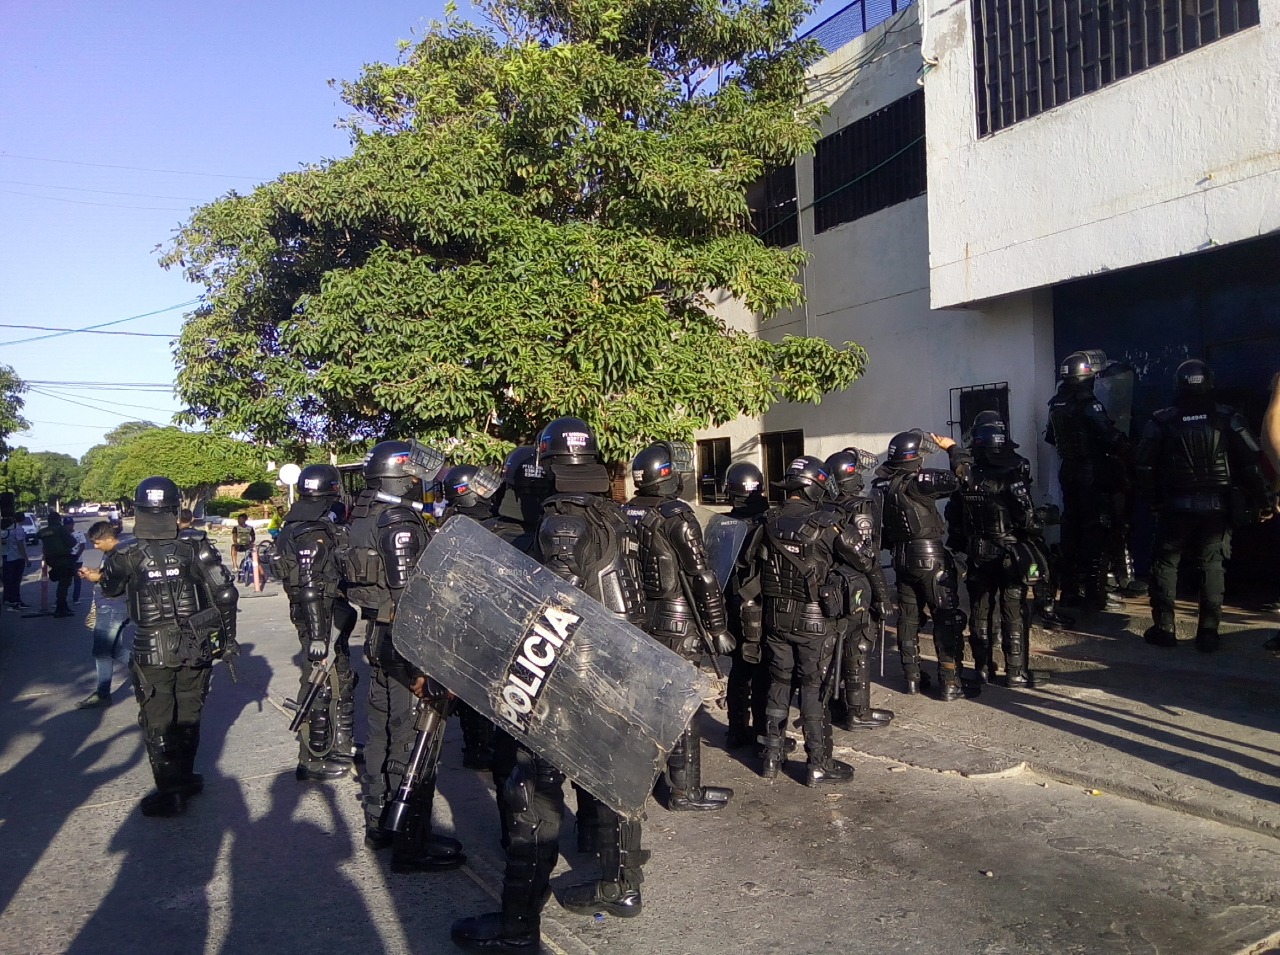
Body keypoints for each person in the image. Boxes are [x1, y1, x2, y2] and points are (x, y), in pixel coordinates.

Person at [452, 417, 650, 953]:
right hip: (614, 663)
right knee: (611, 778)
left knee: (531, 791)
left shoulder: (562, 520)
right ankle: (621, 885)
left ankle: (518, 924)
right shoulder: (608, 509)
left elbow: (558, 608)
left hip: (570, 672)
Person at [84, 477, 239, 816]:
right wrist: (227, 640)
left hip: (151, 644)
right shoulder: (196, 544)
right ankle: (184, 778)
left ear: (139, 509)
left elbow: (110, 589)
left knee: (157, 717)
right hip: (196, 643)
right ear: (173, 508)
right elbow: (226, 592)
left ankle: (170, 790)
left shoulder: (125, 552)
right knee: (189, 711)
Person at [345, 440, 464, 872]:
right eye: (413, 475)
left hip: (379, 635)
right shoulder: (398, 522)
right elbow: (407, 596)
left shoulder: (364, 514)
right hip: (403, 640)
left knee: (382, 732)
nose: (420, 482)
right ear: (399, 476)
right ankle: (411, 841)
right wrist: (420, 667)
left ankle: (381, 824)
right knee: (411, 739)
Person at [624, 441, 735, 811]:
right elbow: (701, 576)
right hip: (677, 618)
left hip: (640, 617)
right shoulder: (677, 516)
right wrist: (717, 626)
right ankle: (685, 790)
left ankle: (645, 779)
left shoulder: (627, 511)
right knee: (683, 703)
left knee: (648, 701)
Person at [1136, 359, 1272, 652]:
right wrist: (1264, 500)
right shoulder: (1227, 417)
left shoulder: (1162, 420)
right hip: (1216, 507)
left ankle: (1165, 629)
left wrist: (1154, 501)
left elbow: (1144, 467)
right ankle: (1208, 633)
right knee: (1212, 565)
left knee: (1165, 564)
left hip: (1175, 506)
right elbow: (1251, 463)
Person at [742, 455, 860, 786]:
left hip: (775, 617)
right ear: (814, 486)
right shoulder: (826, 524)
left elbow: (747, 562)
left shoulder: (767, 520)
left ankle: (771, 757)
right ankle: (819, 762)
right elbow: (862, 559)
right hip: (814, 620)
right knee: (813, 688)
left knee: (778, 683)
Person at [267, 464, 361, 780]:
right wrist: (321, 637)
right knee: (323, 683)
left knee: (338, 681)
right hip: (319, 616)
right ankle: (316, 755)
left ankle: (339, 745)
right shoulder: (312, 533)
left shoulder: (296, 526)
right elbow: (310, 588)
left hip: (322, 614)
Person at [872, 431, 970, 700]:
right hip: (929, 558)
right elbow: (962, 477)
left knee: (908, 617)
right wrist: (953, 450)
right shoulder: (916, 482)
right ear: (913, 458)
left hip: (901, 558)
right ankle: (950, 680)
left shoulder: (880, 485)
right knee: (946, 617)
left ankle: (912, 678)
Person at [951, 419, 1040, 686]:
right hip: (1008, 554)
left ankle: (981, 668)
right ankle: (1015, 672)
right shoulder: (1011, 477)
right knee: (1013, 612)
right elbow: (1027, 520)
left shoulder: (966, 479)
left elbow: (954, 518)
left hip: (977, 555)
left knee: (980, 612)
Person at [1045, 352, 1131, 612]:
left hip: (1068, 470)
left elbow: (1051, 438)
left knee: (1071, 529)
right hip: (1091, 472)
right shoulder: (1088, 403)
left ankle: (1069, 589)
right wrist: (1131, 450)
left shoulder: (1056, 403)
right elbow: (1109, 436)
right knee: (1095, 530)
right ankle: (1095, 593)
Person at [824, 449, 895, 728]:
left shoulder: (824, 506)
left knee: (834, 649)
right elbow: (868, 559)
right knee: (859, 646)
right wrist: (883, 596)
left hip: (831, 587)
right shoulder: (860, 507)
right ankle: (858, 712)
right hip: (855, 586)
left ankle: (833, 707)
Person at [440, 463, 504, 771]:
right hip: (475, 613)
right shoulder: (474, 525)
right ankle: (480, 747)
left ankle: (478, 745)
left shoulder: (451, 523)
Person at [721, 462, 773, 750]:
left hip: (732, 606)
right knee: (763, 670)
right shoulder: (769, 522)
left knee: (740, 669)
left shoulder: (723, 525)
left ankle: (736, 731)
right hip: (764, 607)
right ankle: (764, 736)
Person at [75, 521, 133, 708]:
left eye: (98, 543)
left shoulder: (120, 554)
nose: (95, 546)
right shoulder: (113, 553)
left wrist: (96, 577)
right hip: (113, 605)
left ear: (110, 539)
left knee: (101, 652)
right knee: (114, 650)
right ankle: (149, 670)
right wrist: (93, 573)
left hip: (112, 606)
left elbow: (117, 579)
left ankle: (102, 694)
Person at [38, 512, 78, 617]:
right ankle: (61, 608)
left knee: (62, 583)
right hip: (64, 560)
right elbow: (72, 542)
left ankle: (63, 606)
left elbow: (39, 538)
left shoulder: (43, 531)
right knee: (64, 584)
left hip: (51, 560)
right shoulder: (61, 529)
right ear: (58, 519)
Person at [2, 513, 30, 611]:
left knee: (11, 580)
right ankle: (15, 601)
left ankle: (11, 600)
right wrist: (26, 559)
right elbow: (20, 545)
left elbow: (4, 541)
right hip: (17, 558)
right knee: (16, 581)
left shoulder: (8, 529)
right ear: (23, 519)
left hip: (9, 557)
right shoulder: (19, 529)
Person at [65, 515, 88, 604]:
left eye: (70, 524)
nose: (68, 526)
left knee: (77, 580)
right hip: (67, 560)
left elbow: (82, 546)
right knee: (66, 580)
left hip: (77, 560)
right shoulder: (63, 535)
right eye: (66, 524)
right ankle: (62, 599)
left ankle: (76, 598)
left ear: (73, 524)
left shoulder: (79, 534)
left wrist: (77, 556)